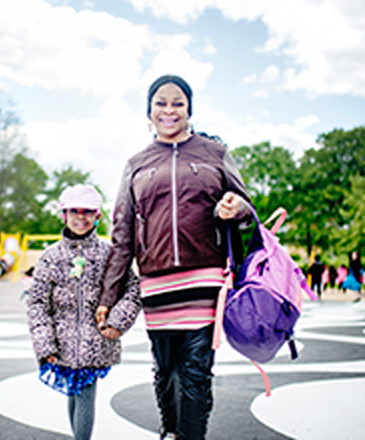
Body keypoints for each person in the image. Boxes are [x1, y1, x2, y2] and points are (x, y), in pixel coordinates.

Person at [97, 74, 253, 440]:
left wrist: (237, 207)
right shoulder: (136, 163)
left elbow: (247, 209)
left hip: (205, 279)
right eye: (161, 103)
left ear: (189, 110)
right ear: (149, 111)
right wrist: (109, 295)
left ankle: (190, 436)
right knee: (166, 369)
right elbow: (122, 236)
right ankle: (170, 430)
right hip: (157, 283)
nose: (169, 110)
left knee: (197, 369)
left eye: (178, 103)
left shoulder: (214, 153)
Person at [27, 184, 141, 440]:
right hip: (61, 342)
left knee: (85, 394)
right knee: (73, 394)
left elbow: (133, 289)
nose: (81, 217)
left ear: (97, 216)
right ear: (64, 214)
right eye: (74, 211)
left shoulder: (110, 254)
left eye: (87, 211)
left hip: (96, 341)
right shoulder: (51, 257)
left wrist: (117, 322)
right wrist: (46, 345)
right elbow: (37, 303)